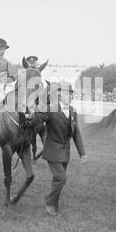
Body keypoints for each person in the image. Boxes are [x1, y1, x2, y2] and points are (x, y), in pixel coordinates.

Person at [37, 81, 87, 216]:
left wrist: (82, 153)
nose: (70, 96)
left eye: (71, 94)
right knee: (62, 178)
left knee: (57, 180)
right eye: (67, 93)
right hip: (52, 150)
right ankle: (49, 201)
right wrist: (32, 113)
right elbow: (38, 117)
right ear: (59, 94)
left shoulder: (73, 111)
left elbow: (76, 133)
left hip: (65, 153)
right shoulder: (51, 108)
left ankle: (53, 206)